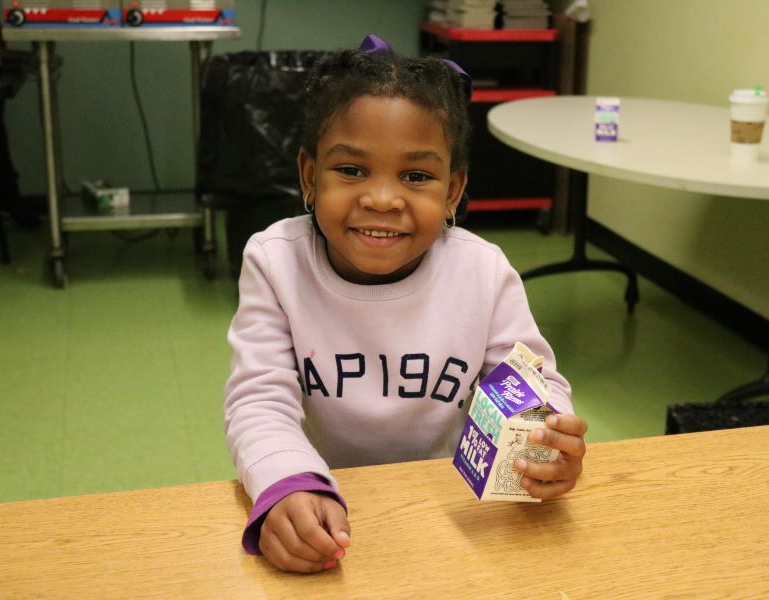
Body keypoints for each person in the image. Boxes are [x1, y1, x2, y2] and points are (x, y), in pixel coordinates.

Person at [223, 35, 587, 574]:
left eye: (416, 176)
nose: (383, 199)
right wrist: (287, 484)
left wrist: (546, 444)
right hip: (322, 499)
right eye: (351, 170)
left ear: (453, 192)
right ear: (308, 176)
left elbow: (530, 384)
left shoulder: (482, 271)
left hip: (446, 512)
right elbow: (258, 402)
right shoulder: (275, 261)